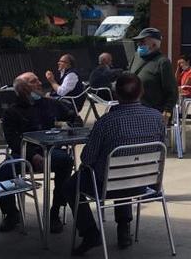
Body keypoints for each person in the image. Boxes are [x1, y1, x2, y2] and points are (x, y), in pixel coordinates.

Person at [63, 72, 166, 255]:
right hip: (145, 184)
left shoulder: (106, 122)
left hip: (109, 186)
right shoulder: (157, 117)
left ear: (115, 95)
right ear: (141, 92)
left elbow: (87, 159)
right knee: (123, 171)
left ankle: (89, 233)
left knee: (72, 186)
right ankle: (124, 229)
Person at [0, 72, 81, 234]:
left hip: (50, 152)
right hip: (22, 156)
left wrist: (68, 125)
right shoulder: (12, 112)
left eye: (38, 80)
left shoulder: (49, 103)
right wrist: (32, 155)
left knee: (66, 161)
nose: (40, 83)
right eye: (34, 82)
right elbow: (13, 141)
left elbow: (74, 118)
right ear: (23, 88)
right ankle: (11, 214)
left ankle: (55, 213)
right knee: (1, 171)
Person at [129, 28, 178, 115]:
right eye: (138, 42)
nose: (139, 44)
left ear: (154, 45)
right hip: (133, 109)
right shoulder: (136, 57)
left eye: (142, 42)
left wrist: (167, 112)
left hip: (152, 112)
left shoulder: (163, 62)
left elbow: (172, 91)